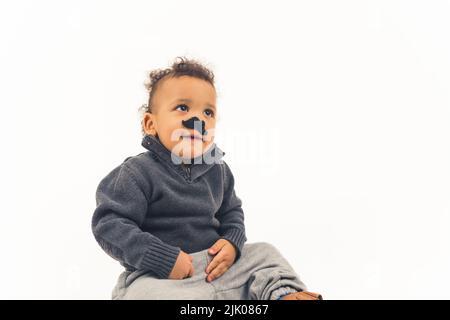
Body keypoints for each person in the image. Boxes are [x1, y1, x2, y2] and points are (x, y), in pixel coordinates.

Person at [92, 57, 322, 300]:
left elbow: (232, 213)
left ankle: (282, 295)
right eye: (182, 108)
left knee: (265, 253)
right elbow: (110, 225)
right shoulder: (137, 172)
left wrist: (232, 243)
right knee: (145, 295)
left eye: (208, 112)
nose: (198, 120)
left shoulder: (218, 170)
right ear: (151, 123)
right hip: (163, 277)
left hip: (217, 268)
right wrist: (161, 257)